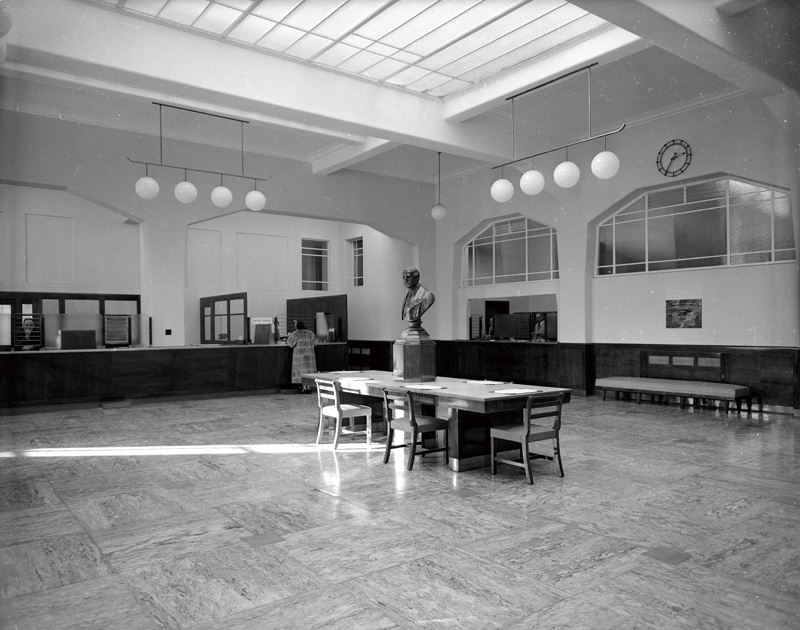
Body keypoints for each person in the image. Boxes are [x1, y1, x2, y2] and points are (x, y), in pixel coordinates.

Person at [286, 320, 317, 392]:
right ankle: (309, 387)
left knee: (301, 372)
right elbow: (315, 343)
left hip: (300, 357)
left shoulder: (296, 334)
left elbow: (290, 343)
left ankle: (304, 388)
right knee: (309, 372)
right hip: (310, 357)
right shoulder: (310, 333)